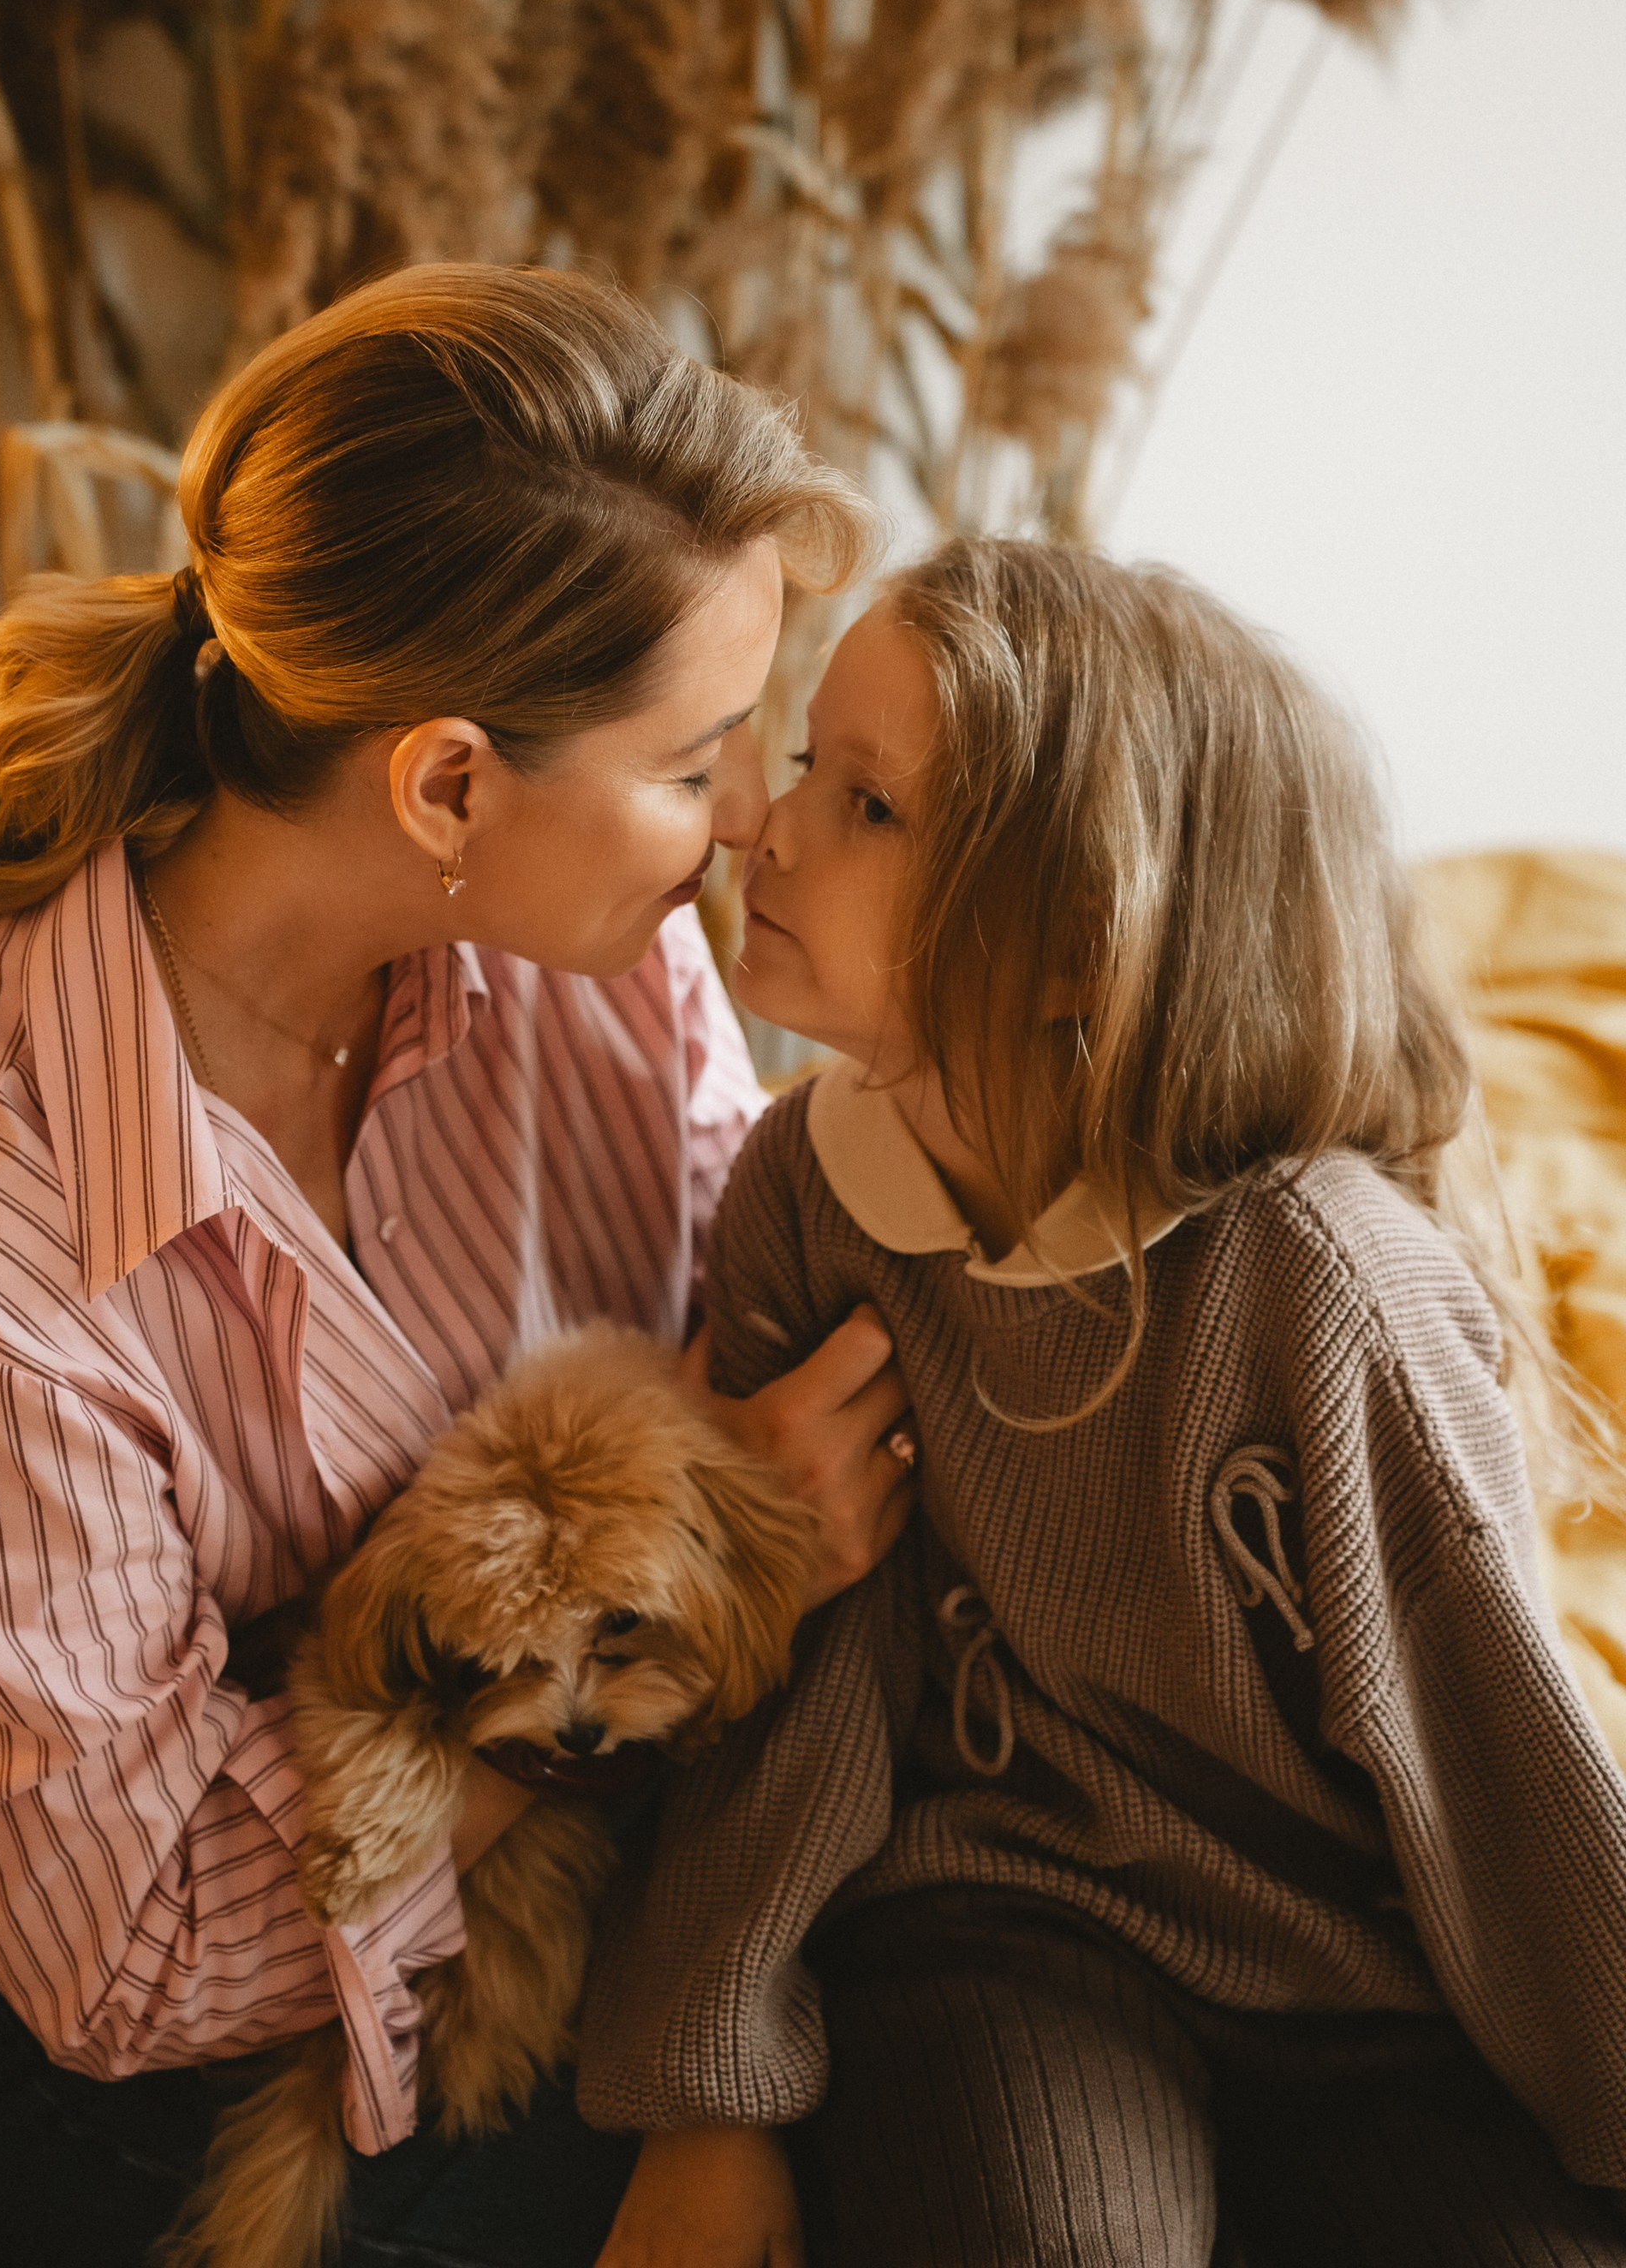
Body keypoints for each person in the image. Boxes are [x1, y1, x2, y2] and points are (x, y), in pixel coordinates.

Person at [0, 264, 915, 2268]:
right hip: (169, 2077)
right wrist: (627, 1665)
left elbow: (770, 1347)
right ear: (448, 783)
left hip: (589, 1897)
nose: (741, 827)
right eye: (696, 755)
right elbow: (134, 1956)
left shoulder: (603, 989)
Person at [581, 535, 1626, 2268]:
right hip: (999, 1937)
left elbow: (1495, 1743)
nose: (763, 829)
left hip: (1358, 1978)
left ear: (1079, 940)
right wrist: (706, 2103)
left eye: (867, 807)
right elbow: (810, 1662)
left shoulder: (1321, 1282)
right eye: (798, 772)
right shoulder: (799, 1196)